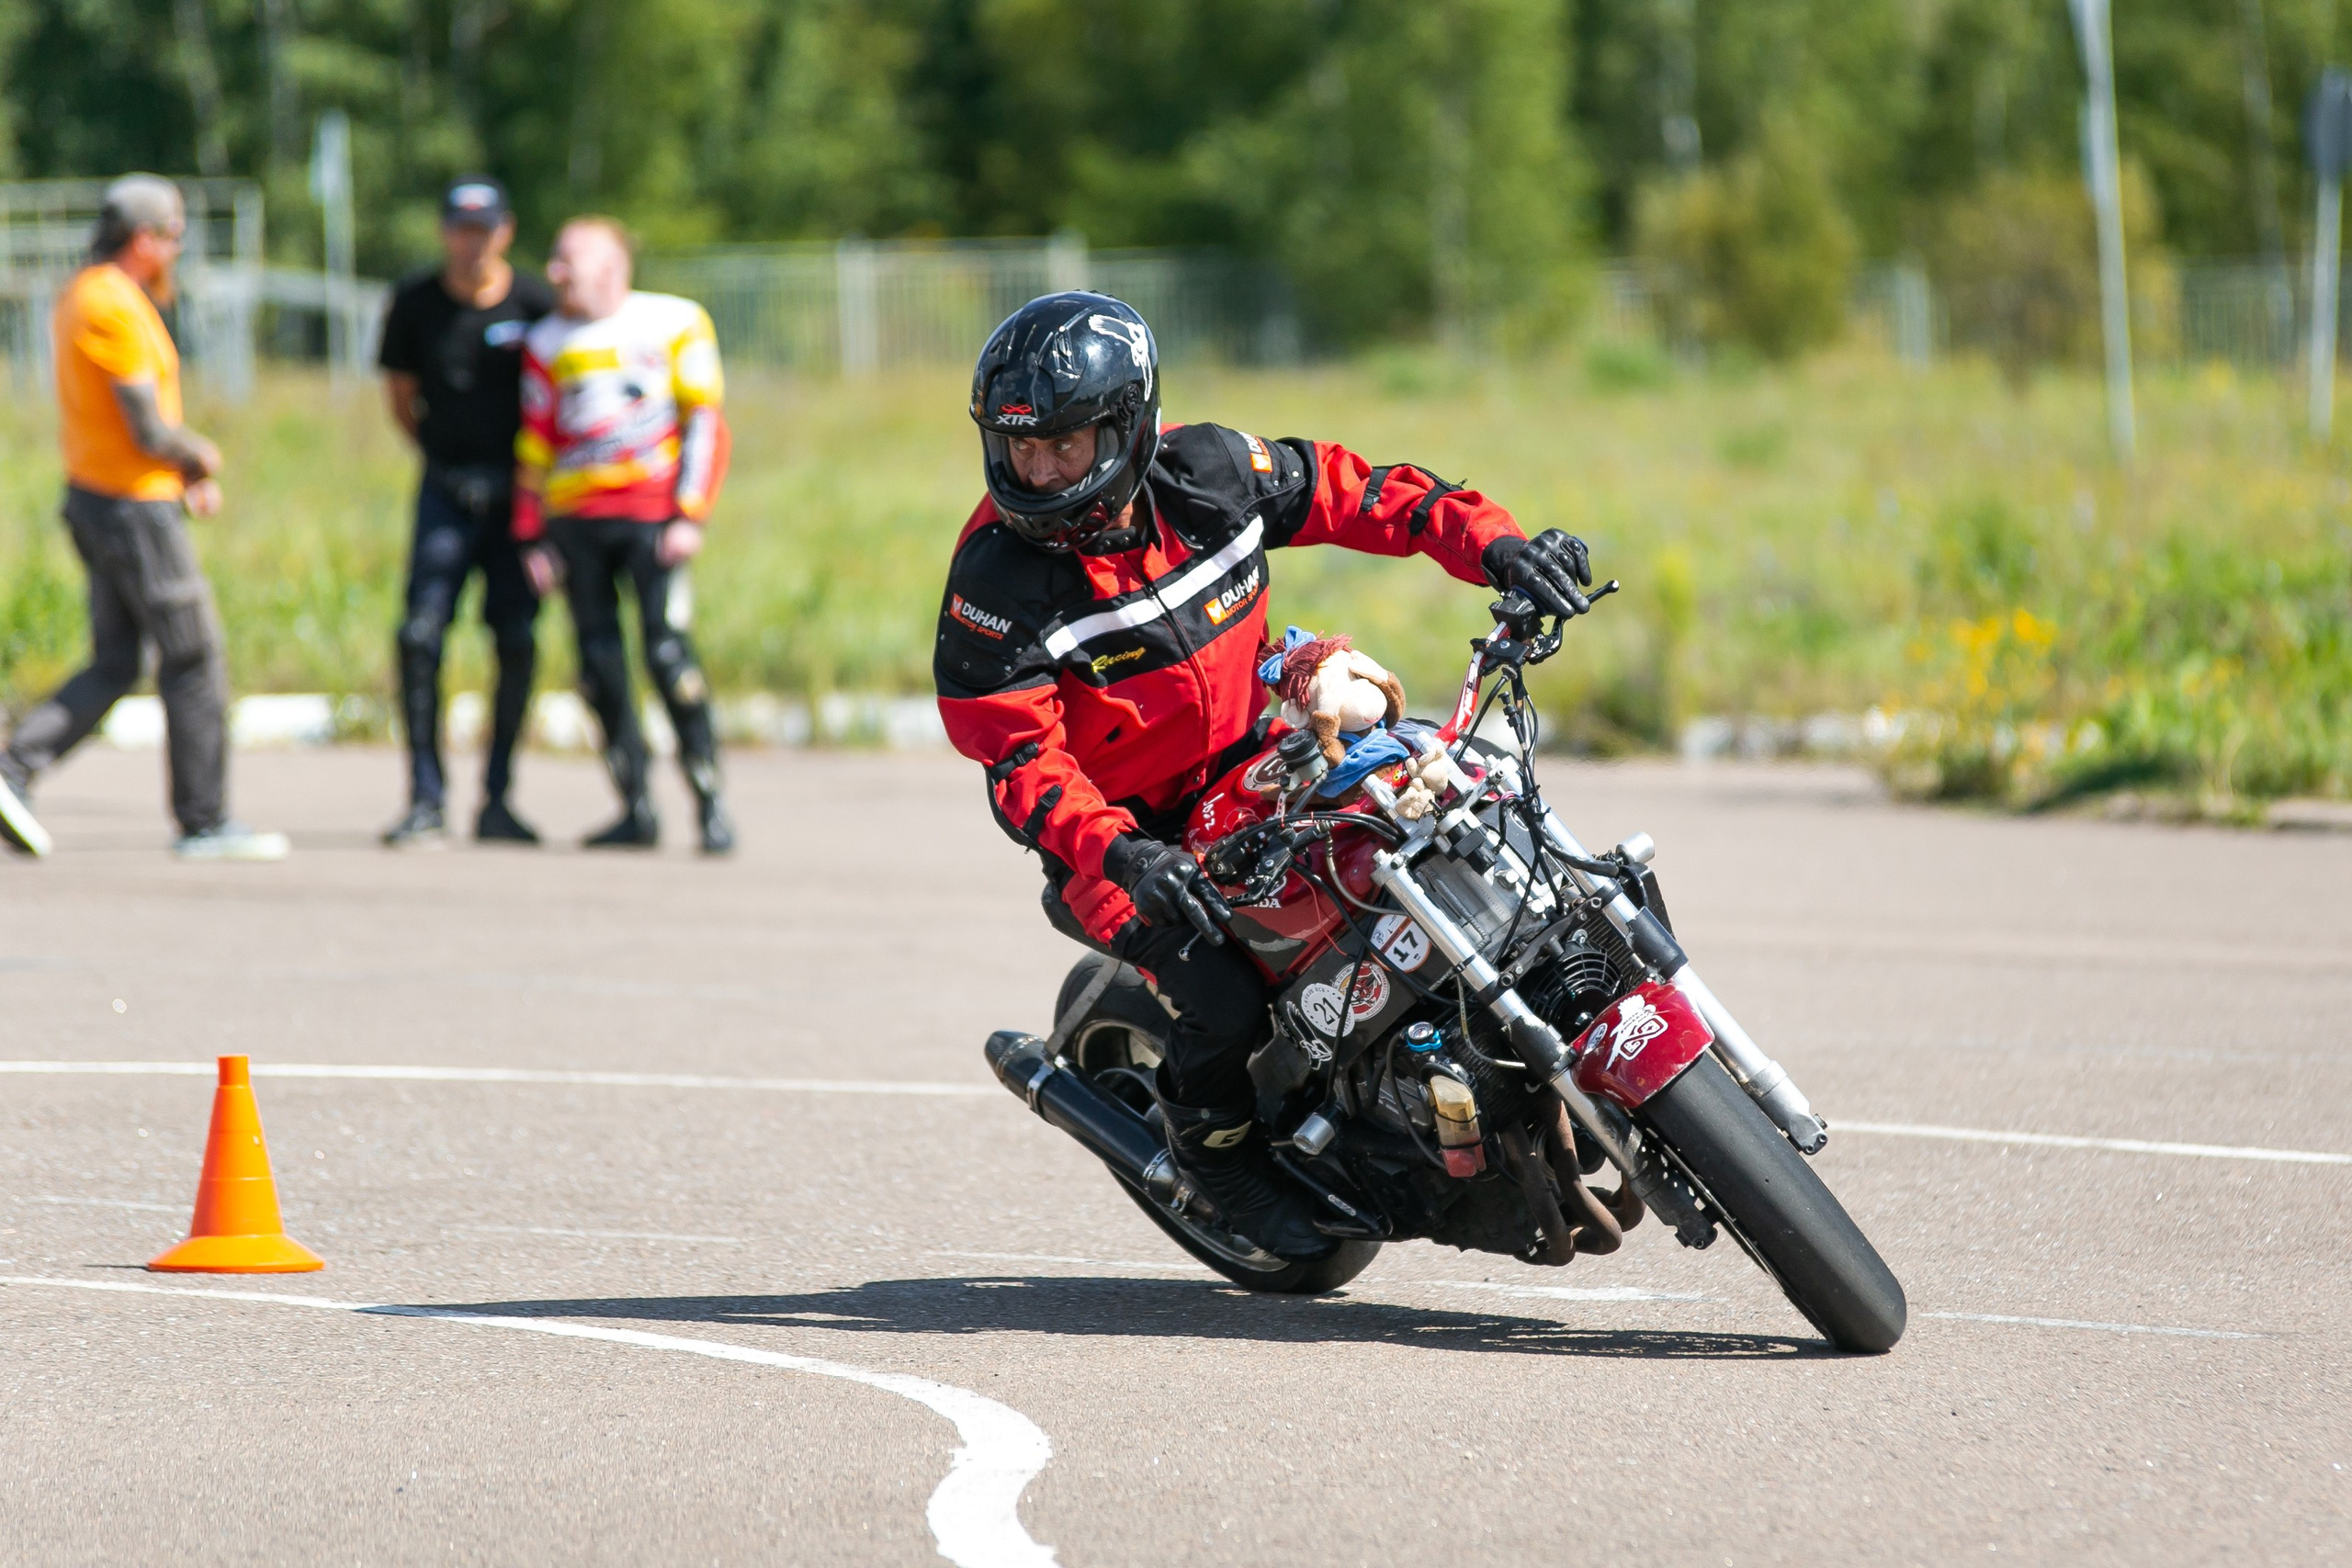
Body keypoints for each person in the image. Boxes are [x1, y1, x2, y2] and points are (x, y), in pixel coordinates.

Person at [933, 292, 1594, 1258]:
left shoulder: (1210, 474)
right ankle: (1216, 1158)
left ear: (1127, 427)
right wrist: (1123, 855)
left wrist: (1501, 547)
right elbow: (1020, 761)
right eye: (1017, 447)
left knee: (1436, 810)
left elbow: (1370, 494)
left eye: (1063, 445)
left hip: (1257, 767)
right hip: (1121, 841)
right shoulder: (993, 582)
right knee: (1224, 997)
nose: (1037, 470)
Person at [0, 175, 288, 862]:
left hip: (112, 498)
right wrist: (202, 456)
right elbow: (147, 427)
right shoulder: (108, 303)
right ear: (145, 239)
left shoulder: (93, 294)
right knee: (193, 652)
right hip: (131, 507)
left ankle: (15, 769)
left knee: (119, 659)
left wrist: (181, 474)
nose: (179, 248)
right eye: (175, 234)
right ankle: (204, 818)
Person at [514, 216, 733, 852]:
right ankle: (635, 808)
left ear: (611, 269)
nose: (554, 274)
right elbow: (534, 441)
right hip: (574, 524)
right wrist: (531, 533)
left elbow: (706, 424)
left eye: (567, 262)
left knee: (669, 658)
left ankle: (710, 805)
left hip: (652, 521)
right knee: (599, 667)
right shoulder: (546, 340)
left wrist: (689, 513)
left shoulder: (674, 321)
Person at [375, 177, 557, 848]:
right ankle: (425, 795)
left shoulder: (536, 302)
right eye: (460, 227)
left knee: (516, 639)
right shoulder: (416, 304)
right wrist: (443, 462)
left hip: (517, 495)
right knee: (420, 634)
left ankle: (498, 796)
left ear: (504, 232)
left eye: (483, 228)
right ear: (444, 231)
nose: (471, 241)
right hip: (447, 490)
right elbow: (401, 397)